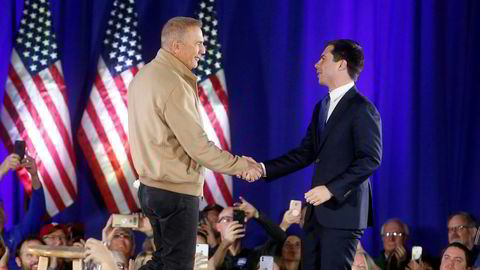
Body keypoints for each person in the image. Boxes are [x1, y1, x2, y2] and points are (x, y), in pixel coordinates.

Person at [127, 16, 262, 270]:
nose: (203, 50)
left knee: (163, 261)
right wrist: (241, 164)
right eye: (198, 43)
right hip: (175, 193)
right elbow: (199, 148)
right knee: (178, 265)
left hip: (151, 190)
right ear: (177, 47)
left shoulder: (143, 77)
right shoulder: (173, 83)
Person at [247, 39, 383, 269]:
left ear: (341, 64)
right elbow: (305, 153)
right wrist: (262, 168)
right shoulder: (321, 106)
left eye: (323, 58)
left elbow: (370, 159)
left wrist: (331, 190)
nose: (315, 64)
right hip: (316, 216)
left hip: (343, 214)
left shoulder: (362, 108)